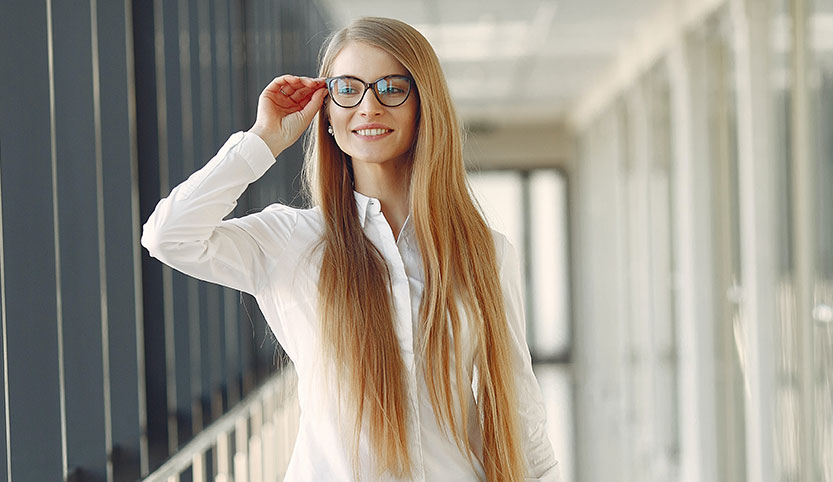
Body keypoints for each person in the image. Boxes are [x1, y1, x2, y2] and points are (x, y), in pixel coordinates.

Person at [141, 16, 559, 482]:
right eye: (347, 88)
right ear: (327, 110)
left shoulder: (485, 253)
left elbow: (520, 411)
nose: (368, 106)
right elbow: (168, 235)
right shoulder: (292, 241)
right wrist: (263, 141)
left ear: (424, 105)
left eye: (391, 87)